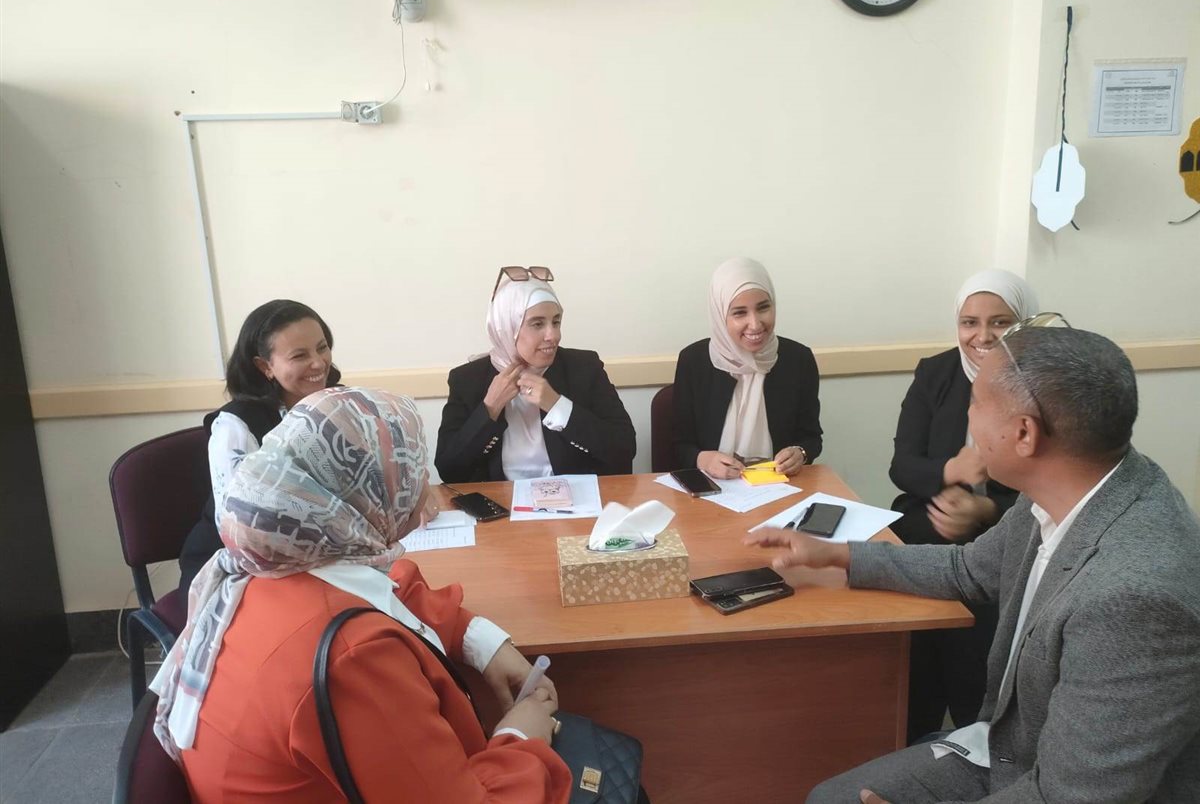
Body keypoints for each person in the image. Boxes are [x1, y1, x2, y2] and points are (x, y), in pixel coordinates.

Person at [747, 325, 1200, 803]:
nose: (968, 415)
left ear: (1024, 433)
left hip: (1047, 782)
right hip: (1012, 752)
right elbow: (967, 569)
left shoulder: (1134, 600)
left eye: (977, 402)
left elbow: (1073, 795)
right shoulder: (1064, 488)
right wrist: (837, 554)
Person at [152, 387, 573, 803]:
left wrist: (483, 642)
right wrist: (521, 736)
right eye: (410, 468)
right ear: (366, 493)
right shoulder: (353, 657)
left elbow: (392, 591)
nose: (423, 484)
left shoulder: (273, 562)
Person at [889, 269, 1038, 742]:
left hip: (1005, 534)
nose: (983, 336)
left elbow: (1050, 486)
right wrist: (951, 471)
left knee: (970, 632)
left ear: (1024, 322)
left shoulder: (1042, 384)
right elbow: (903, 466)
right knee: (912, 638)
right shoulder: (935, 373)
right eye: (969, 322)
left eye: (1000, 322)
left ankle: (976, 734)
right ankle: (912, 732)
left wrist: (987, 512)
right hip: (929, 522)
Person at [177, 299, 343, 596]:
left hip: (319, 558)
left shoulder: (337, 403)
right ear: (265, 366)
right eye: (300, 355)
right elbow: (239, 532)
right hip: (238, 569)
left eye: (322, 348)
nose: (319, 363)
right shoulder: (235, 427)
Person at [436, 266, 636, 483]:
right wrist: (490, 408)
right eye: (537, 324)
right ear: (507, 327)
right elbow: (449, 470)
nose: (553, 335)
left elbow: (624, 450)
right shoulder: (468, 380)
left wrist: (558, 407)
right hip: (501, 500)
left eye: (556, 322)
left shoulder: (584, 368)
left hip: (573, 498)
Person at [672, 257, 821, 478]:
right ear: (720, 314)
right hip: (712, 485)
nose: (755, 324)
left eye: (763, 308)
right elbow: (679, 444)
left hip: (778, 485)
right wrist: (703, 459)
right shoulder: (694, 361)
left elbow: (811, 438)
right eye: (739, 313)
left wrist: (800, 453)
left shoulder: (798, 359)